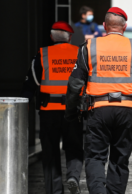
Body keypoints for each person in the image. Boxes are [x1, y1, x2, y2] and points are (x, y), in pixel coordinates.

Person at [64, 7, 132, 194]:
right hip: (127, 110)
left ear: (104, 26)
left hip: (97, 109)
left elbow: (75, 84)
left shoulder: (89, 47)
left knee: (95, 157)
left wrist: (70, 112)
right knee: (120, 159)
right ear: (124, 28)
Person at [20, 21, 84, 194]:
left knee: (50, 151)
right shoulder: (80, 54)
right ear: (70, 37)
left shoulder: (42, 55)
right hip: (74, 110)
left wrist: (23, 105)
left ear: (51, 37)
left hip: (49, 111)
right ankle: (73, 176)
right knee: (74, 146)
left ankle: (54, 191)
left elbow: (30, 85)